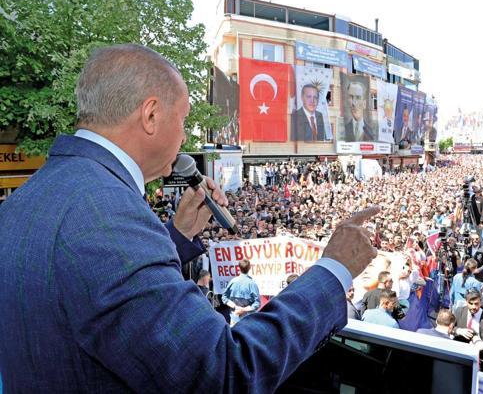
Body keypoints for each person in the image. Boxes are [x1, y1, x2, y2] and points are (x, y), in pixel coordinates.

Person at [0, 44, 380, 392]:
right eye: (182, 120)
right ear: (150, 115)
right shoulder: (107, 212)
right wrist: (333, 269)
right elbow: (224, 372)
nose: (184, 137)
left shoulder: (26, 199)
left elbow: (92, 291)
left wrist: (177, 236)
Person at [222, 259, 261, 326]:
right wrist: (243, 309)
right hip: (248, 320)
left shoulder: (233, 281)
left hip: (235, 319)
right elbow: (257, 303)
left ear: (238, 268)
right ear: (249, 268)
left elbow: (224, 298)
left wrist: (236, 307)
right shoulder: (252, 284)